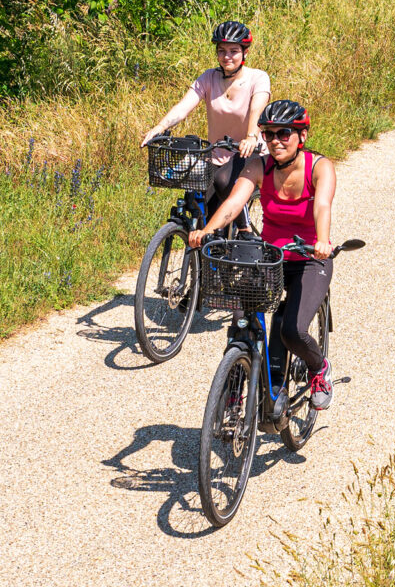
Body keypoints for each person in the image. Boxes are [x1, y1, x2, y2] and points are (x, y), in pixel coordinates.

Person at [192, 98, 338, 412]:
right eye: (268, 134)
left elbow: (322, 206)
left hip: (309, 257)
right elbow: (233, 203)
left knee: (293, 331)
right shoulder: (260, 165)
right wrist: (207, 230)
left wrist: (323, 242)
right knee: (241, 322)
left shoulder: (319, 167)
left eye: (284, 133)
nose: (275, 141)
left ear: (302, 136)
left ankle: (318, 370)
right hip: (271, 257)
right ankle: (233, 388)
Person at [142, 20, 270, 231]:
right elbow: (183, 107)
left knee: (222, 180)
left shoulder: (258, 78)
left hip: (250, 152)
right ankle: (203, 256)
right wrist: (159, 127)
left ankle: (245, 230)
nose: (227, 56)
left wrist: (250, 136)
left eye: (233, 51)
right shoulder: (209, 78)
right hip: (216, 155)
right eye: (221, 51)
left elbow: (258, 110)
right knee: (199, 202)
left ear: (245, 52)